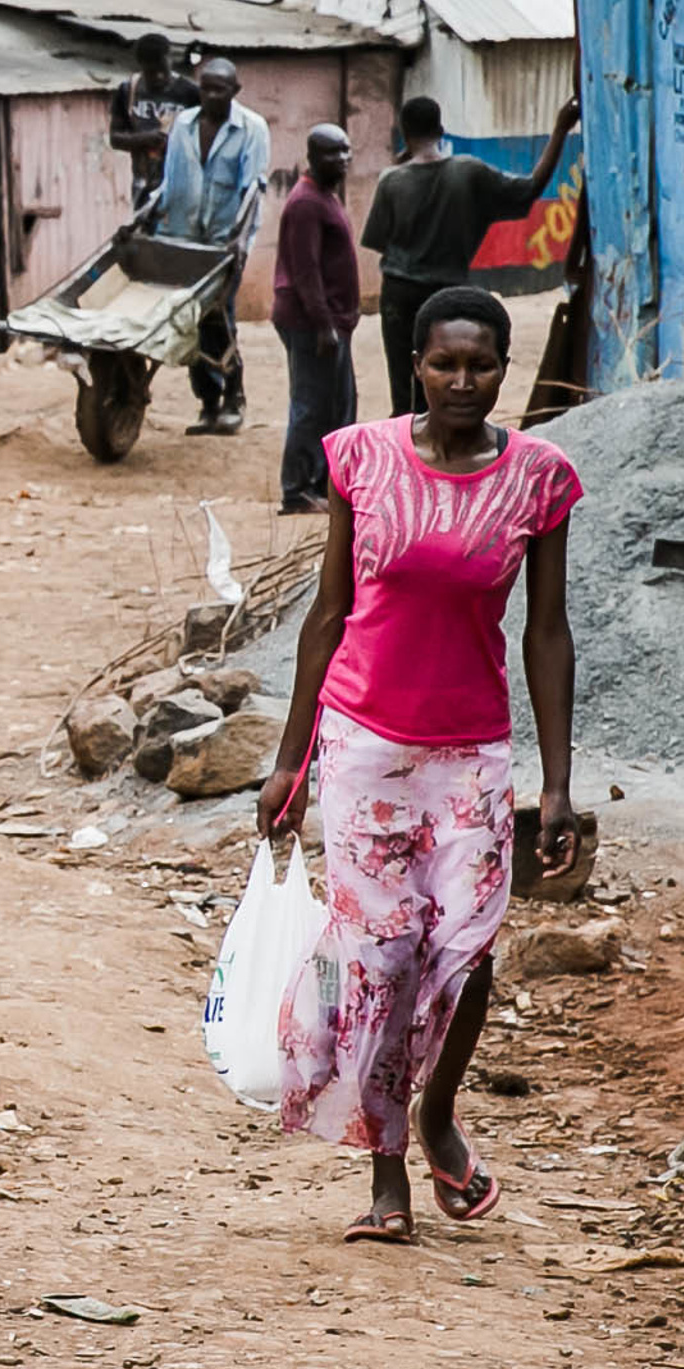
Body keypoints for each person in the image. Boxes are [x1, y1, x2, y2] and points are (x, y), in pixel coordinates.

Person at [260, 287, 582, 1246]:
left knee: (469, 949)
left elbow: (549, 633)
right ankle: (389, 1169)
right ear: (416, 366)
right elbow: (329, 613)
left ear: (504, 370)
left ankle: (438, 1107)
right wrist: (290, 760)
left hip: (471, 751)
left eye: (481, 364)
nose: (463, 381)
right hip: (365, 748)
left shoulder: (539, 477)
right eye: (445, 363)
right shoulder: (360, 459)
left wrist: (557, 784)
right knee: (385, 956)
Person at [361, 95, 579, 416]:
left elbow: (381, 241)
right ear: (441, 130)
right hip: (447, 296)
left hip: (398, 295)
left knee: (404, 389)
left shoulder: (391, 180)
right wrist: (560, 129)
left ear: (404, 133)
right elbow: (530, 188)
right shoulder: (468, 173)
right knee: (448, 382)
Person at [154, 57, 271, 435]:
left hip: (225, 245)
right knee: (190, 319)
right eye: (205, 87)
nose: (210, 95)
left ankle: (233, 398)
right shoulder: (184, 125)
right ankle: (207, 403)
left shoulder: (251, 128)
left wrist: (239, 244)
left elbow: (253, 190)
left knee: (218, 319)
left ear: (234, 91)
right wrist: (145, 217)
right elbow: (169, 182)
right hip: (183, 239)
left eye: (219, 89)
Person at [273, 126, 361, 515]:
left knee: (335, 403)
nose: (342, 159)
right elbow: (305, 269)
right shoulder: (307, 202)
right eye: (331, 153)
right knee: (310, 404)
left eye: (345, 151)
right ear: (312, 157)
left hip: (330, 321)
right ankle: (296, 491)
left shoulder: (324, 196)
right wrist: (324, 324)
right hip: (312, 323)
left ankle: (323, 482)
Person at [107, 32, 200, 210]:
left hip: (184, 183)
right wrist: (145, 138)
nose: (158, 77)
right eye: (151, 73)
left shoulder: (190, 92)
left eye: (162, 71)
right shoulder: (128, 91)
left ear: (170, 60)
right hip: (144, 184)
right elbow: (115, 138)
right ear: (141, 66)